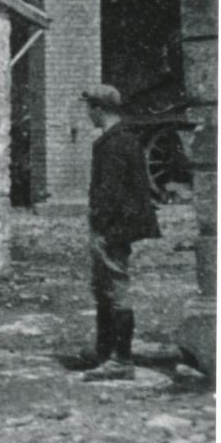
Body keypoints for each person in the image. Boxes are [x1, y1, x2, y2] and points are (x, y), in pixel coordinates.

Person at [79, 84, 159, 382]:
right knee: (106, 288)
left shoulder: (113, 143)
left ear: (99, 109)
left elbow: (109, 193)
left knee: (114, 289)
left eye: (89, 107)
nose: (87, 113)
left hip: (112, 229)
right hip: (119, 226)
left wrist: (100, 225)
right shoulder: (126, 139)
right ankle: (105, 351)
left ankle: (120, 359)